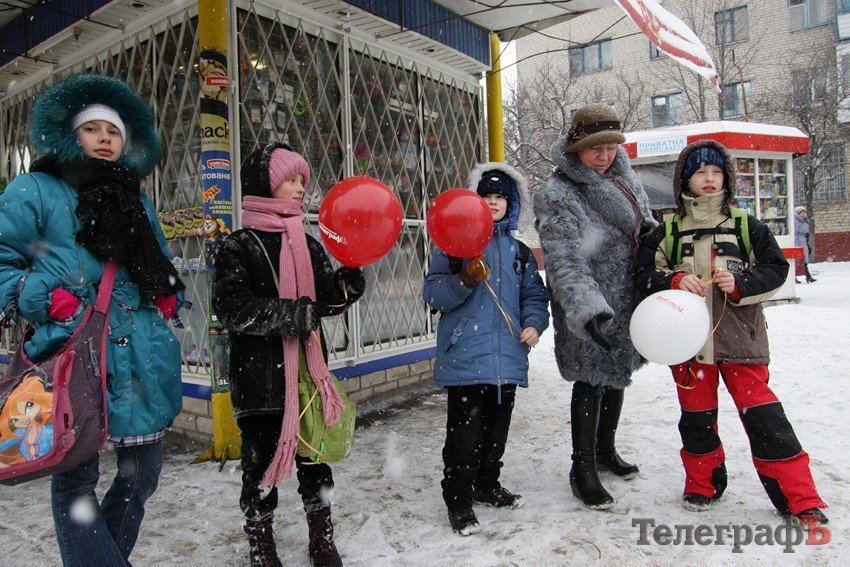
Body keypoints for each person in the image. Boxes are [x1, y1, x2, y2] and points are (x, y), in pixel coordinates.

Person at [0, 74, 185, 565]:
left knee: (141, 474)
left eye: (114, 131)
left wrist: (167, 297)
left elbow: (160, 261)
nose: (105, 138)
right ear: (71, 135)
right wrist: (42, 298)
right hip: (74, 351)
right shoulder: (35, 189)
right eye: (93, 129)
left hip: (139, 353)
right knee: (77, 476)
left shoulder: (135, 197)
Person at [635, 140, 828, 525]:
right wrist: (672, 280)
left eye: (716, 172)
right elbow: (642, 277)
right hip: (688, 349)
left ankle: (800, 498)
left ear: (726, 178)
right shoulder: (666, 231)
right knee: (696, 420)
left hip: (742, 342)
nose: (709, 179)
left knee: (766, 420)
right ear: (685, 180)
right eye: (700, 172)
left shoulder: (746, 225)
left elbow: (775, 269)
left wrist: (740, 282)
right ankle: (703, 484)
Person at [212, 142, 366, 566]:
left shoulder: (309, 243)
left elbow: (323, 305)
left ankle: (322, 536)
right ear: (266, 183)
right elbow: (232, 308)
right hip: (260, 380)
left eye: (302, 179)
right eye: (290, 179)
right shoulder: (238, 245)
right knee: (261, 469)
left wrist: (345, 287)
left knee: (315, 464)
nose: (300, 187)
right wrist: (293, 314)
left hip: (306, 379)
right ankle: (262, 543)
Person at [533, 103, 655, 510]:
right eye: (594, 148)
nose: (604, 156)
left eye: (610, 148)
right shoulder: (558, 192)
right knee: (591, 379)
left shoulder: (625, 179)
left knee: (616, 374)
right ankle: (581, 468)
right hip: (588, 298)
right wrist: (587, 307)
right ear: (575, 148)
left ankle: (605, 451)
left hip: (626, 295)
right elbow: (564, 255)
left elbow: (646, 227)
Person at [423, 162, 550, 535]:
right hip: (466, 358)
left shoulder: (520, 252)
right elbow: (434, 294)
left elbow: (533, 296)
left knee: (496, 432)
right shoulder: (453, 248)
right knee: (463, 436)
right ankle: (459, 499)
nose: (493, 203)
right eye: (486, 196)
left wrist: (533, 324)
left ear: (511, 204)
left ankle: (487, 483)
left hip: (507, 358)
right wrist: (464, 279)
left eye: (500, 197)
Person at [794, 205, 816, 283]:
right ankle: (797, 277)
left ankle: (808, 276)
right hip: (799, 243)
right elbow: (794, 233)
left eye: (805, 213)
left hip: (804, 242)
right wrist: (796, 245)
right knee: (797, 261)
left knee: (804, 260)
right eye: (802, 213)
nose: (804, 214)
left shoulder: (805, 221)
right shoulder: (796, 221)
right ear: (798, 214)